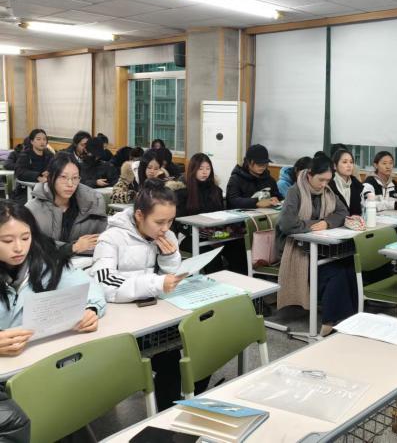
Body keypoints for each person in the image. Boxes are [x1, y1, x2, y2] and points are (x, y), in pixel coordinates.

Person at [89, 180, 199, 409]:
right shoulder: (111, 238)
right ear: (139, 215)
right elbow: (104, 282)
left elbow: (170, 276)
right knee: (169, 362)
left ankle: (175, 407)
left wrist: (169, 258)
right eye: (159, 222)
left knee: (193, 351)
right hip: (122, 323)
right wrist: (155, 283)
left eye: (170, 221)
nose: (166, 228)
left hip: (154, 316)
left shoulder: (166, 236)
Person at [0, 200, 105, 356]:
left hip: (37, 355)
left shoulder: (47, 262)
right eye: (7, 241)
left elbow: (88, 287)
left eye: (25, 238)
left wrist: (91, 309)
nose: (19, 248)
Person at [277, 156, 357, 336]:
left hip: (318, 247)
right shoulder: (295, 191)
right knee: (335, 272)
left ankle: (348, 318)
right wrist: (315, 224)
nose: (324, 184)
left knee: (348, 265)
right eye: (321, 180)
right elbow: (287, 224)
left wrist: (327, 222)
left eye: (328, 180)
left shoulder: (327, 191)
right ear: (309, 175)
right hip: (296, 250)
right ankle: (331, 320)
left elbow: (343, 212)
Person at [168, 154, 247, 274]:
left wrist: (217, 236)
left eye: (208, 168)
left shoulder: (216, 191)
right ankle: (217, 282)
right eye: (200, 169)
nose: (205, 172)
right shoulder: (182, 192)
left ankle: (238, 280)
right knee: (210, 253)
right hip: (189, 236)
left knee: (237, 247)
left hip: (215, 234)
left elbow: (221, 215)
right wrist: (207, 236)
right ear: (193, 170)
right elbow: (178, 223)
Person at [26, 153, 107, 255]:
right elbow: (32, 244)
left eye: (75, 178)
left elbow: (104, 240)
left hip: (86, 262)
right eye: (63, 177)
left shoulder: (93, 203)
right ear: (50, 177)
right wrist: (73, 248)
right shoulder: (32, 209)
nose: (70, 184)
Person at [226, 145, 282, 210]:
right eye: (259, 164)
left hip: (267, 214)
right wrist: (256, 202)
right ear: (248, 162)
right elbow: (233, 201)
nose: (263, 167)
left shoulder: (269, 179)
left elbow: (278, 196)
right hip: (243, 215)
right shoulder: (236, 179)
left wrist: (276, 199)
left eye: (265, 164)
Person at [13, 129, 53, 204]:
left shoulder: (49, 155)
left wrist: (49, 172)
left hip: (46, 191)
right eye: (38, 139)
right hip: (25, 191)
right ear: (32, 141)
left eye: (44, 139)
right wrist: (37, 176)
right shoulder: (25, 155)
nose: (42, 142)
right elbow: (19, 171)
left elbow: (56, 167)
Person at [330, 149, 363, 216]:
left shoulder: (357, 184)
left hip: (355, 221)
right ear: (335, 166)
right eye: (344, 162)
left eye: (351, 162)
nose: (349, 165)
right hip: (335, 222)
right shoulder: (329, 184)